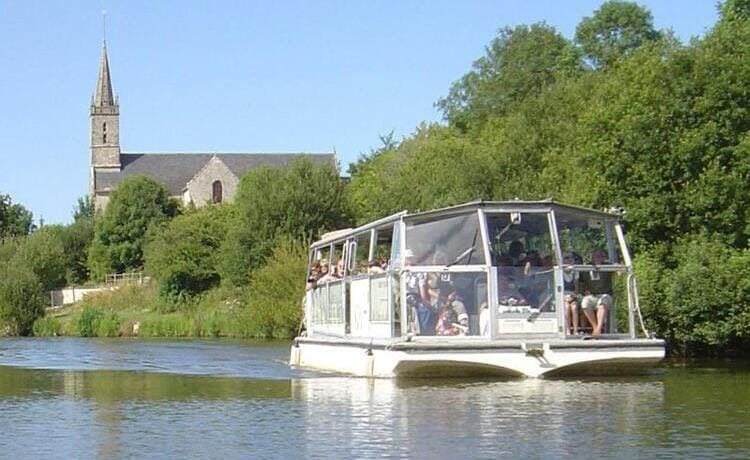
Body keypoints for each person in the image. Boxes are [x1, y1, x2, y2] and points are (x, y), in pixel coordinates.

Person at [579, 249, 613, 335]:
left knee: (602, 303)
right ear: (591, 258)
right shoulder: (586, 268)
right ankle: (595, 327)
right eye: (595, 256)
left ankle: (598, 329)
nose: (598, 258)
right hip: (592, 295)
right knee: (585, 303)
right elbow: (580, 282)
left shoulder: (607, 266)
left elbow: (618, 268)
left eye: (600, 256)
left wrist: (620, 270)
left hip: (605, 294)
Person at [562, 254, 581, 334]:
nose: (569, 260)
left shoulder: (575, 271)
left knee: (574, 307)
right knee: (566, 307)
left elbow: (576, 288)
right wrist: (565, 298)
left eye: (571, 258)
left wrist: (573, 296)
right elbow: (559, 288)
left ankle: (576, 330)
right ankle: (568, 330)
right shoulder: (559, 271)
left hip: (572, 295)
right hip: (562, 295)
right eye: (566, 258)